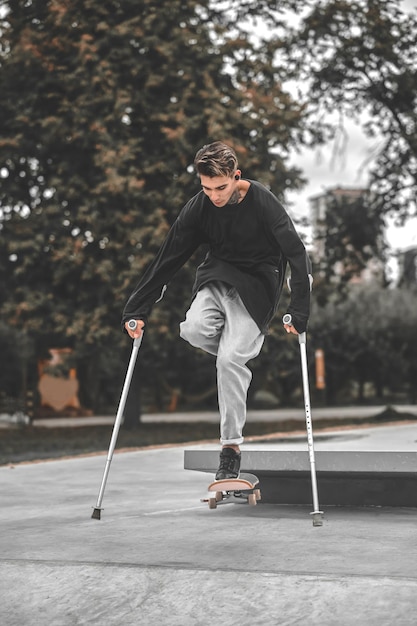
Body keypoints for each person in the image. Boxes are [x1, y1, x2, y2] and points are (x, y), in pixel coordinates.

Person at [122, 141, 311, 480]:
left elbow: (297, 254)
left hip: (257, 285)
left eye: (221, 187)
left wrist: (300, 309)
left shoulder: (263, 202)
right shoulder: (199, 208)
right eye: (207, 188)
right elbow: (169, 257)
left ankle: (230, 448)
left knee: (228, 361)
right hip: (218, 275)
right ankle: (237, 356)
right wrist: (136, 308)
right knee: (192, 329)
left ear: (236, 177)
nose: (215, 196)